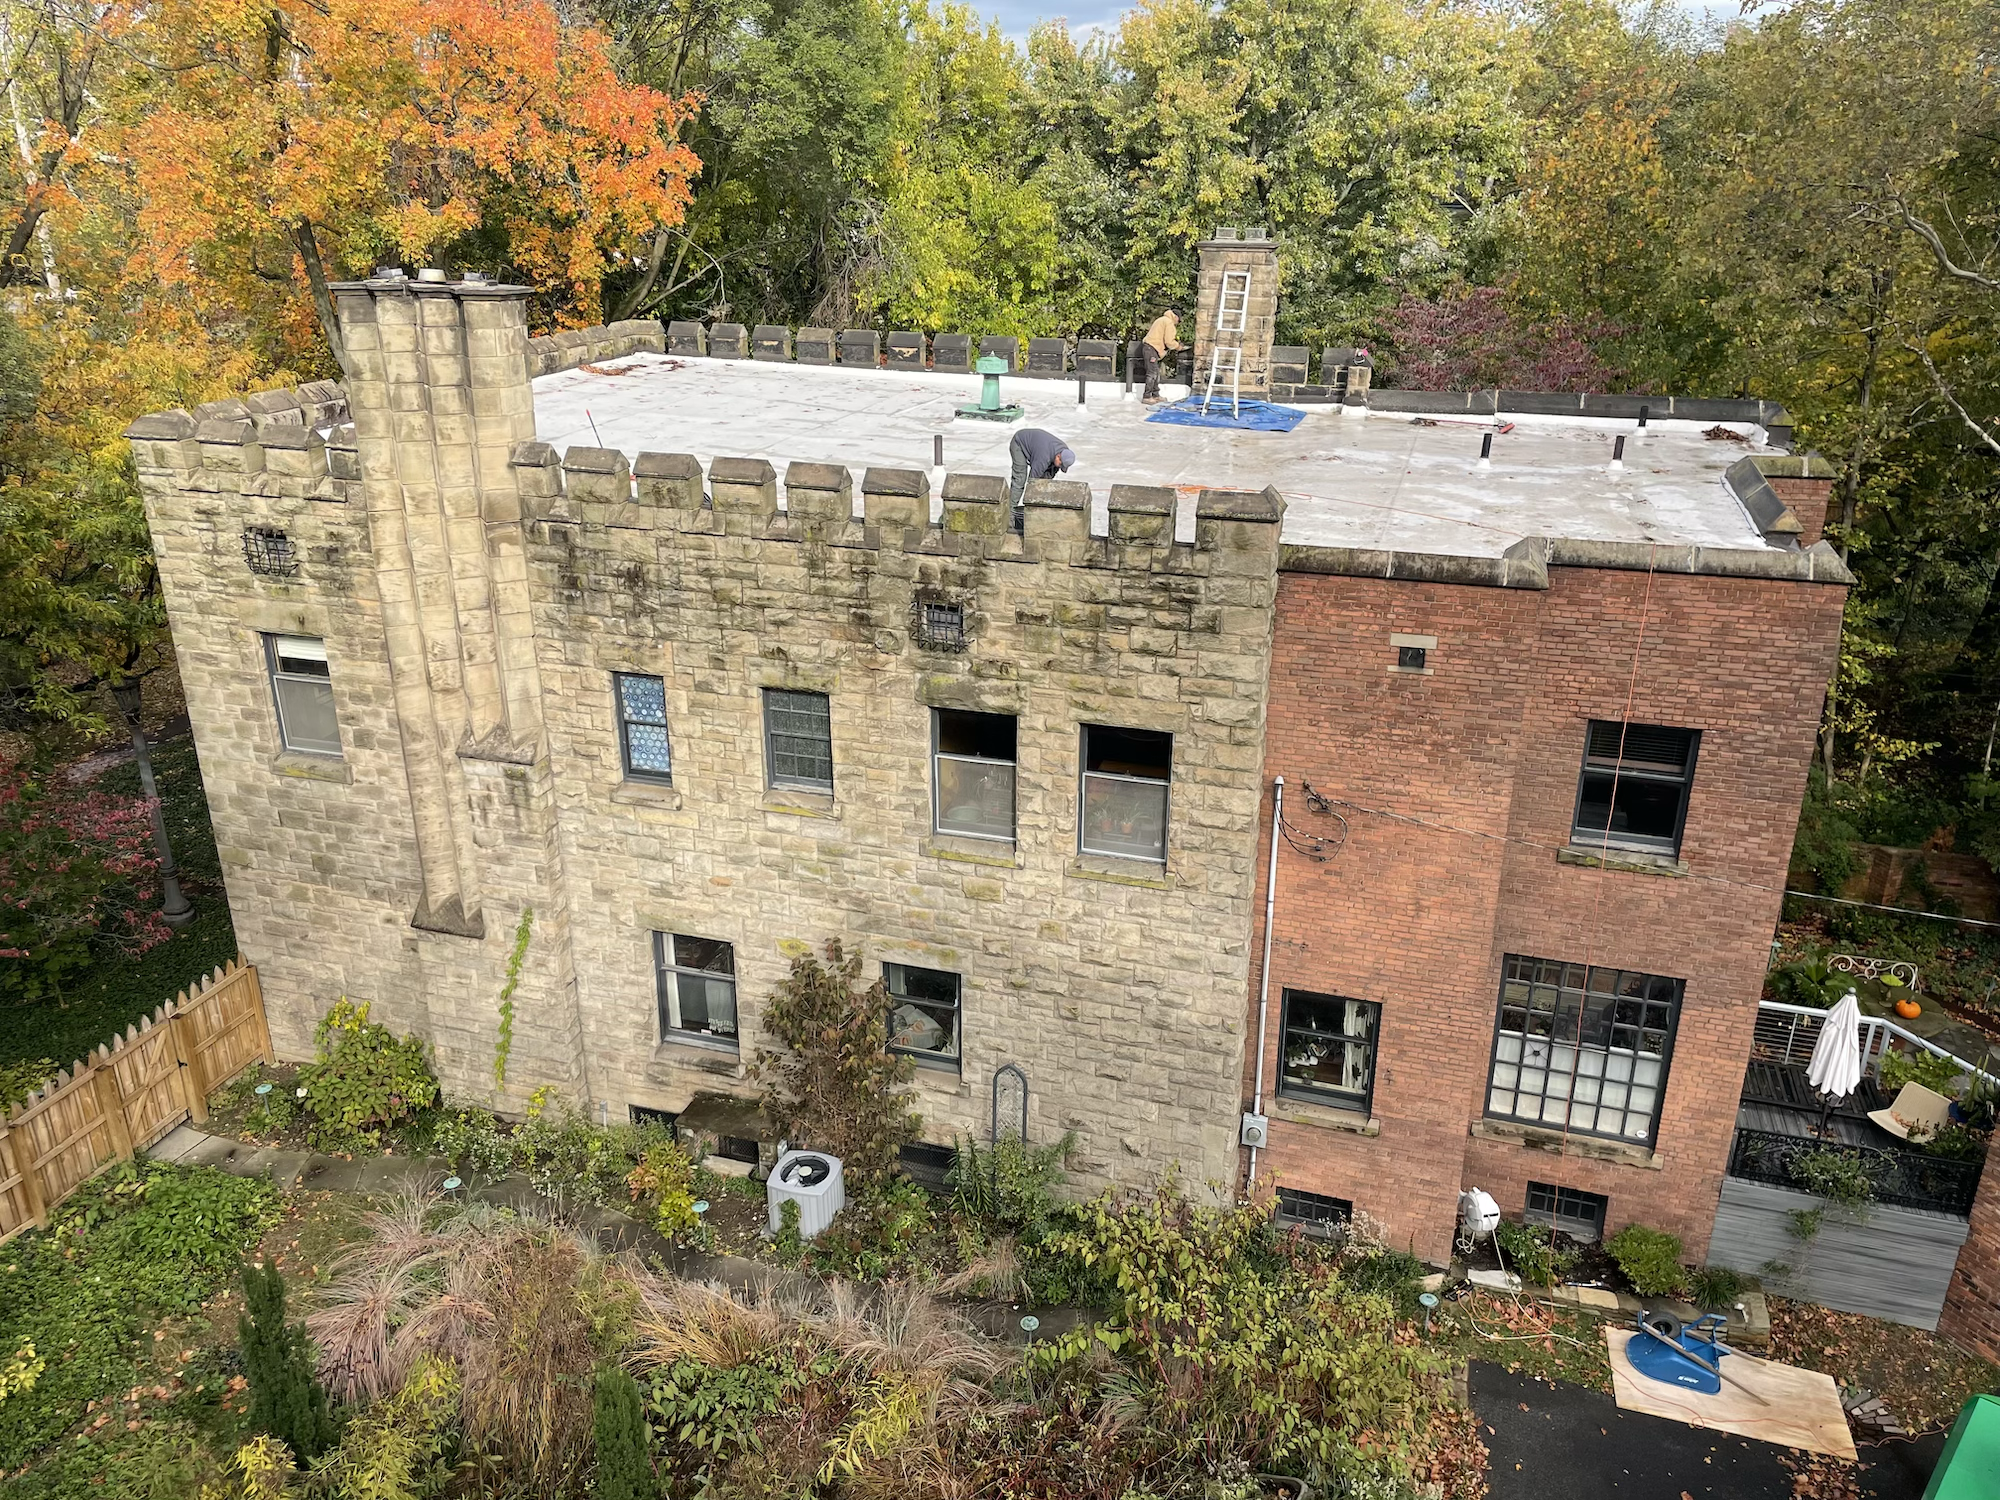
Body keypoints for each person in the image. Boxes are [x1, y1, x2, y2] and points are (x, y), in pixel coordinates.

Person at [1008, 427, 1076, 505]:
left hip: (1039, 446)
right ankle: (1010, 510)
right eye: (1061, 465)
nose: (1060, 468)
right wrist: (1029, 503)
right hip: (1019, 442)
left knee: (1044, 480)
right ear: (1058, 457)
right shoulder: (1043, 457)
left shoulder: (1064, 450)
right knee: (1020, 479)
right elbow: (1032, 481)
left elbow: (1048, 476)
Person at [1139, 309, 1185, 402]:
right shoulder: (1168, 322)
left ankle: (1156, 395)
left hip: (1149, 348)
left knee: (1155, 372)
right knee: (1152, 374)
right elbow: (1169, 342)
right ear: (1175, 317)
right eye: (1178, 321)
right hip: (1152, 349)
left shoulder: (1161, 319)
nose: (1177, 323)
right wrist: (1178, 347)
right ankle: (1147, 397)